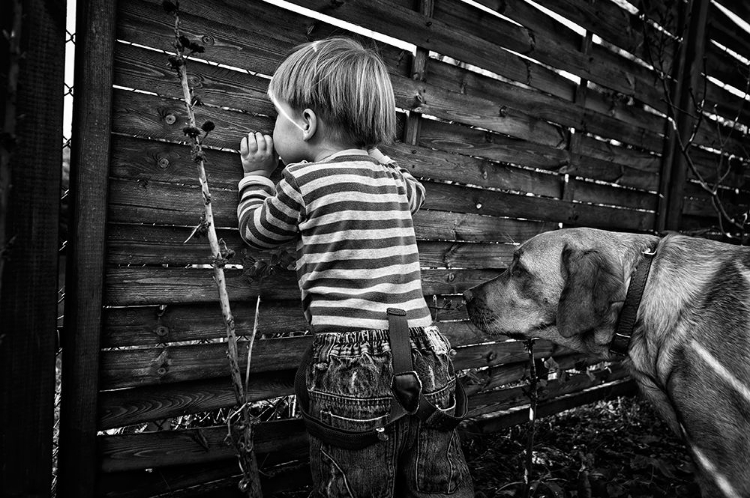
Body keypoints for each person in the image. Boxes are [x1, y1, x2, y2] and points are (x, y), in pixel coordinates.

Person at [237, 37, 474, 498]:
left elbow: (256, 230)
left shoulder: (302, 182)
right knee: (436, 482)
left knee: (357, 484)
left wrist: (254, 176)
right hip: (426, 353)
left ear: (305, 124)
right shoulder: (391, 180)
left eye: (276, 118)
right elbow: (416, 194)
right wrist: (377, 156)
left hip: (351, 366)